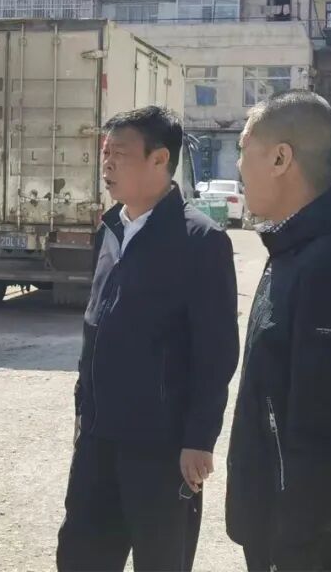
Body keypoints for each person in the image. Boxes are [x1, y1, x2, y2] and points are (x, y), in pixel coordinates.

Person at [56, 106, 239, 572]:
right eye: (105, 153)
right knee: (81, 556)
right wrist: (83, 412)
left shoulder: (200, 241)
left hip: (162, 448)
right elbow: (95, 331)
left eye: (119, 153)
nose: (107, 164)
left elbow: (216, 352)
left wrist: (199, 438)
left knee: (161, 560)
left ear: (160, 159)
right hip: (99, 439)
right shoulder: (111, 229)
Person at [225, 92, 331, 572]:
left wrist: (295, 546)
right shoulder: (294, 249)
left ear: (281, 158)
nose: (238, 167)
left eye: (244, 150)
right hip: (282, 528)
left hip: (315, 545)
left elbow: (329, 431)